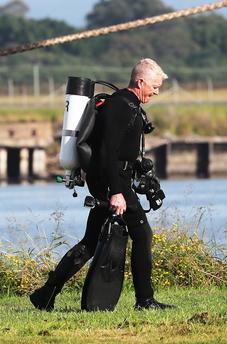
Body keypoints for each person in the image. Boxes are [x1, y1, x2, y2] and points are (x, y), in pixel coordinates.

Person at [30, 58, 175, 310]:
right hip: (113, 182)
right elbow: (106, 152)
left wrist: (138, 167)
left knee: (90, 242)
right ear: (140, 81)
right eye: (154, 85)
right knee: (142, 234)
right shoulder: (120, 106)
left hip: (109, 180)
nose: (156, 91)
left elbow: (120, 150)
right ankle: (145, 300)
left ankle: (45, 294)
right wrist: (117, 192)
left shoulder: (129, 104)